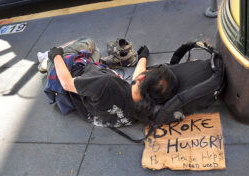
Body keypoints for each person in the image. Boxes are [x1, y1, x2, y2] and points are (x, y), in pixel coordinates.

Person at [42, 38, 178, 127]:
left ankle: (45, 61)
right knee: (95, 51)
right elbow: (137, 79)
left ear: (143, 79)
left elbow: (66, 83)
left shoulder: (107, 83)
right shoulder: (141, 109)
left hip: (69, 77)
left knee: (88, 42)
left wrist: (55, 55)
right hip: (94, 91)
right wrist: (142, 57)